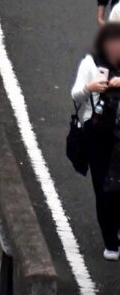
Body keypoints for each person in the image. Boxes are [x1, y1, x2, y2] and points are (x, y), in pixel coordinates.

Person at [70, 22, 120, 260]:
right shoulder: (90, 63)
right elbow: (75, 94)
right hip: (97, 133)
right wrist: (90, 87)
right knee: (103, 188)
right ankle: (111, 242)